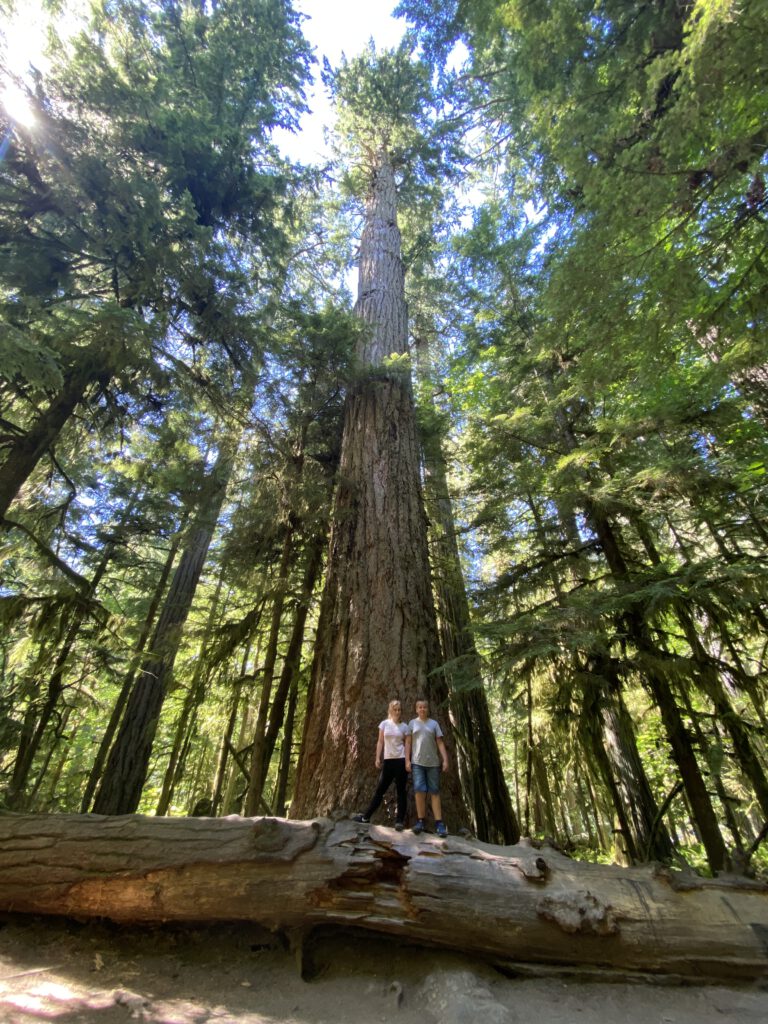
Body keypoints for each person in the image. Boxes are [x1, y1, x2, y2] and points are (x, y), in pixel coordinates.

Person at [352, 699, 410, 830]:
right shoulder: (384, 724)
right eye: (395, 709)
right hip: (388, 761)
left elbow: (407, 744)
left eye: (399, 709)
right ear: (390, 710)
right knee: (380, 790)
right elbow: (380, 742)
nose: (397, 712)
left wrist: (407, 761)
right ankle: (366, 817)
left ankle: (399, 821)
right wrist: (377, 757)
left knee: (401, 791)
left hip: (400, 761)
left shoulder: (405, 727)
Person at [406, 698, 449, 837]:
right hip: (417, 762)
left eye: (424, 707)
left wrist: (445, 760)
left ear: (427, 709)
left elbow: (440, 742)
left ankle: (439, 824)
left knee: (434, 792)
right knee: (419, 791)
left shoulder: (434, 724)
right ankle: (420, 821)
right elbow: (408, 743)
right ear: (416, 709)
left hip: (433, 764)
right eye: (420, 707)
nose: (422, 709)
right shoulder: (412, 723)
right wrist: (407, 760)